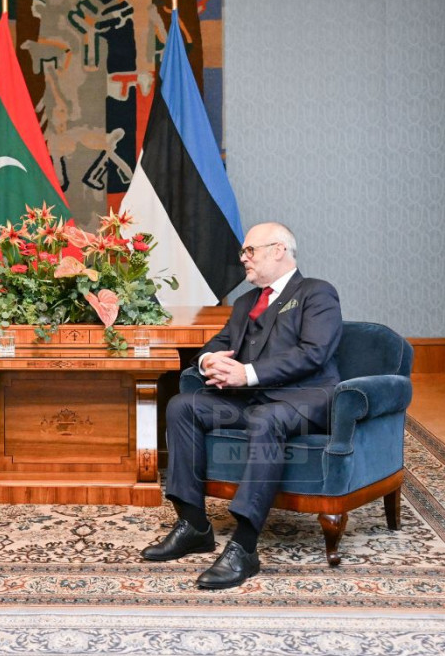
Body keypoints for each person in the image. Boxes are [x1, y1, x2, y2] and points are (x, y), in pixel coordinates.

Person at [142, 222, 342, 589]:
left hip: (304, 401)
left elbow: (314, 353)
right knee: (182, 406)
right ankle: (193, 524)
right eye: (243, 252)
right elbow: (216, 345)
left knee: (267, 417)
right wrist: (209, 362)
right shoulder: (246, 303)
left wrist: (246, 373)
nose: (244, 259)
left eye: (250, 251)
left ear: (279, 250)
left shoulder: (316, 293)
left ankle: (245, 546)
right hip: (252, 401)